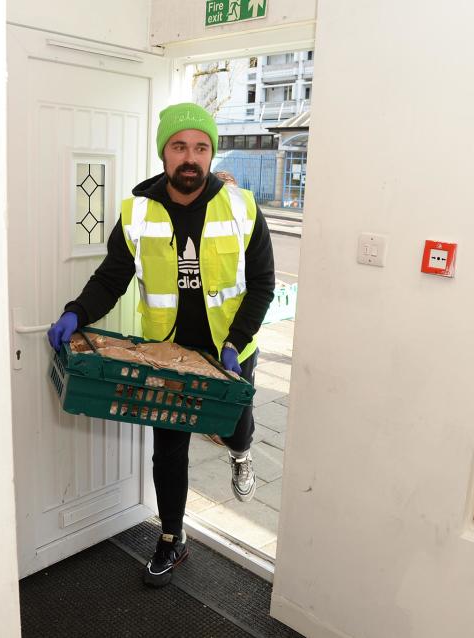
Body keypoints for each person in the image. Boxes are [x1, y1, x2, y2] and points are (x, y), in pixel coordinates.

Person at [47, 103, 275, 588]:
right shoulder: (138, 211)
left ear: (211, 154)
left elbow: (262, 283)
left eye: (200, 147)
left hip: (232, 350)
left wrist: (235, 342)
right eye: (179, 147)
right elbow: (112, 277)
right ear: (164, 154)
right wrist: (77, 312)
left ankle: (241, 451)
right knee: (168, 447)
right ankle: (173, 537)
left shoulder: (242, 207)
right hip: (169, 354)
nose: (190, 158)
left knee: (235, 428)